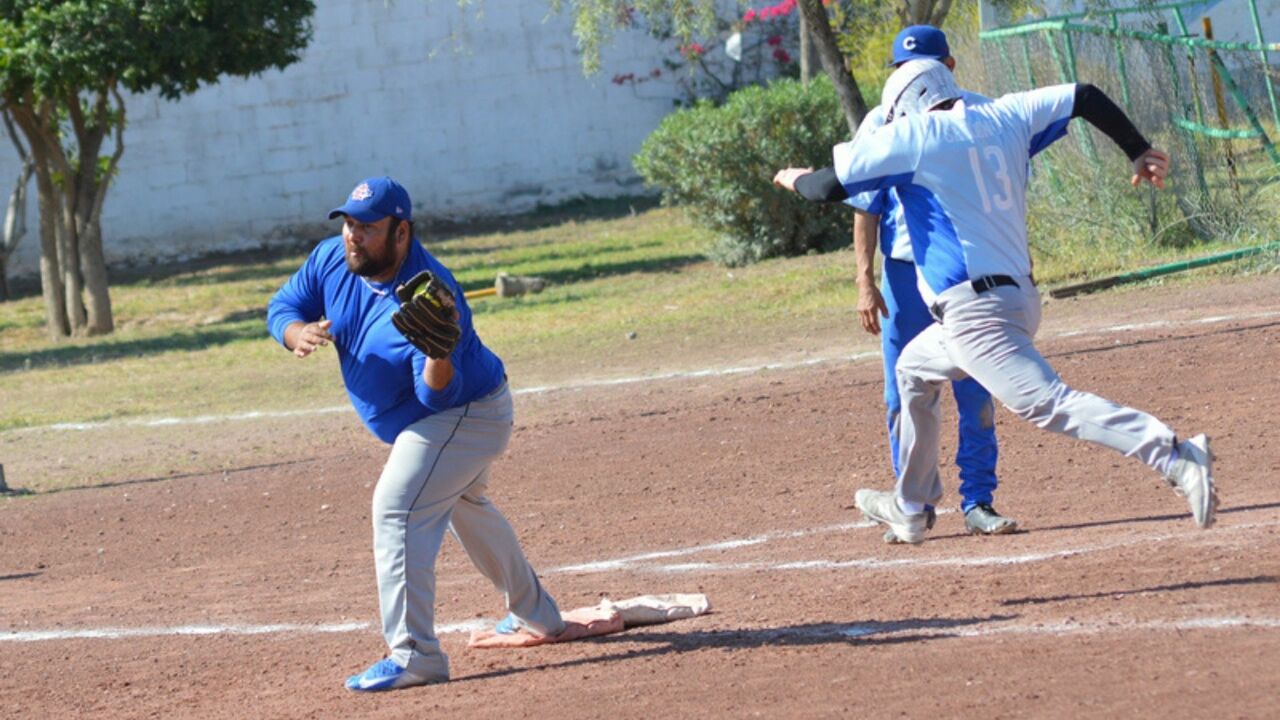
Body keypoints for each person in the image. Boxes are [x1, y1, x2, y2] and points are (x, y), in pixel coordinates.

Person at [774, 60, 1217, 544]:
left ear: (908, 108)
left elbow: (824, 187)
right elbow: (1084, 95)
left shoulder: (917, 134)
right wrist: (1137, 149)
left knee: (1049, 404)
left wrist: (791, 176)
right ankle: (911, 506)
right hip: (1015, 298)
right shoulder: (1004, 114)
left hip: (976, 313)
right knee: (913, 372)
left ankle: (1173, 454)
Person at [267, 176, 565, 691]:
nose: (353, 235)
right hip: (440, 420)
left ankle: (416, 655)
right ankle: (538, 615)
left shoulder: (429, 294)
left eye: (367, 226)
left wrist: (438, 354)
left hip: (466, 414)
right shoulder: (332, 258)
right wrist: (297, 333)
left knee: (398, 508)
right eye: (349, 223)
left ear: (401, 232)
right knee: (466, 507)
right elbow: (283, 307)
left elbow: (436, 398)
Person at [850, 25, 1016, 540]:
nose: (911, 77)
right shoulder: (880, 122)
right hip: (903, 274)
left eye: (922, 66)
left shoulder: (980, 115)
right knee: (900, 394)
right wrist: (864, 279)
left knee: (975, 387)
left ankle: (978, 500)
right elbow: (865, 207)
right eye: (902, 69)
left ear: (950, 67)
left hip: (964, 272)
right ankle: (913, 505)